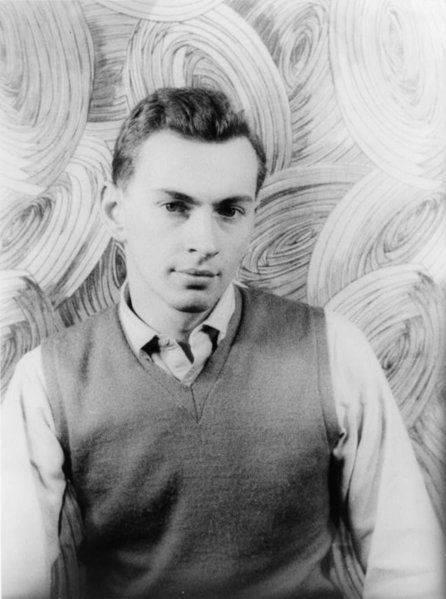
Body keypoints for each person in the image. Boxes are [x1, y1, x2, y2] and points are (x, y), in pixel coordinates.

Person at [1, 87, 443, 599]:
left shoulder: (334, 350)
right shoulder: (48, 381)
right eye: (175, 206)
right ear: (114, 211)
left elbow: (409, 569)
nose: (204, 242)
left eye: (230, 210)